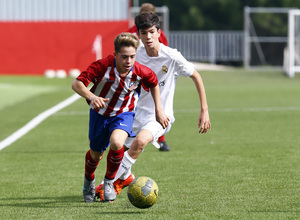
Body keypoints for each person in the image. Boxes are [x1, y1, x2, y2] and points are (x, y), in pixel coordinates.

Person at [95, 12, 211, 200]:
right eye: (143, 33)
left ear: (158, 32)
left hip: (159, 116)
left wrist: (204, 110)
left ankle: (104, 185)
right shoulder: (136, 55)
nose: (147, 37)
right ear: (138, 34)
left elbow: (196, 76)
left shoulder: (171, 56)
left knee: (140, 142)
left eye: (151, 32)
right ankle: (126, 178)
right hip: (133, 113)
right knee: (118, 152)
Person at [72, 32, 169, 203]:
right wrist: (92, 97)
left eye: (132, 57)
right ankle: (88, 181)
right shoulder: (102, 66)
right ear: (115, 55)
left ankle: (109, 182)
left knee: (117, 142)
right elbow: (77, 83)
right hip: (99, 115)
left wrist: (159, 110)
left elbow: (153, 83)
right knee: (96, 155)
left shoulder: (139, 71)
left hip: (124, 114)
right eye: (124, 57)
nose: (129, 61)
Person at [128, 2, 170, 151]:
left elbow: (164, 51)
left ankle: (162, 139)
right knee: (135, 105)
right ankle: (127, 135)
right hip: (136, 72)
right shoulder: (132, 31)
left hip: (154, 74)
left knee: (158, 106)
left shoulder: (158, 33)